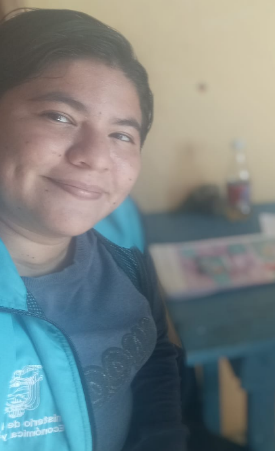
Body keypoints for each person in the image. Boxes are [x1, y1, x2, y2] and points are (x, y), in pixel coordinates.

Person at [0, 9, 186, 451]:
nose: (95, 157)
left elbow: (153, 356)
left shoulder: (123, 251)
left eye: (122, 135)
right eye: (59, 116)